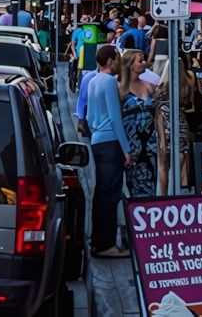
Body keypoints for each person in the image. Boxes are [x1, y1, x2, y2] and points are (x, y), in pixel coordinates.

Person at [85, 46, 128, 257]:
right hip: (111, 141)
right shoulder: (110, 82)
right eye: (117, 59)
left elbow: (89, 114)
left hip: (96, 139)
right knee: (111, 194)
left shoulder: (92, 80)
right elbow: (115, 117)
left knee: (101, 193)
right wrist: (127, 149)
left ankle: (97, 241)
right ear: (111, 61)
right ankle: (107, 245)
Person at [117, 48, 158, 199]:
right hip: (131, 145)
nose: (144, 63)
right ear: (129, 64)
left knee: (153, 182)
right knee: (135, 186)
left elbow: (159, 112)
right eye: (140, 60)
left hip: (151, 143)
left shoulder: (148, 85)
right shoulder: (120, 88)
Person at [76, 44, 118, 138]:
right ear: (111, 61)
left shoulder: (119, 79)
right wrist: (81, 119)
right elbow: (82, 100)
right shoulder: (89, 78)